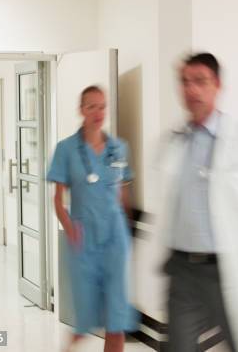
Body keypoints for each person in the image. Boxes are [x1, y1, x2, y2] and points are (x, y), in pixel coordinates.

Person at [150, 52, 238, 352]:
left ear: (217, 85)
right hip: (181, 269)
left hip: (226, 268)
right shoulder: (171, 141)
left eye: (200, 81)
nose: (191, 90)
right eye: (185, 82)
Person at [47, 85, 137, 352]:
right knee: (84, 321)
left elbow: (123, 193)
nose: (98, 112)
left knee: (116, 318)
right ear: (81, 110)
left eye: (102, 106)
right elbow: (57, 198)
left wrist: (128, 230)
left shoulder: (118, 148)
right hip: (84, 240)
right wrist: (68, 226)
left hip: (115, 239)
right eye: (91, 106)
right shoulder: (66, 149)